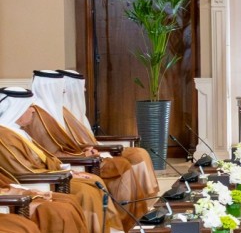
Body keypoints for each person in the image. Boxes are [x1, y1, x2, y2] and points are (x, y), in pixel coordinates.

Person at [0, 87, 125, 233]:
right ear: (15, 109)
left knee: (94, 181)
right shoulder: (4, 135)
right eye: (28, 107)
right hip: (40, 183)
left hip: (51, 176)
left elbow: (46, 158)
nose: (33, 110)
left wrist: (68, 171)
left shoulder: (17, 131)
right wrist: (66, 174)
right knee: (85, 193)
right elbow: (22, 171)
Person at [19, 71, 156, 208]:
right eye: (61, 88)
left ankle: (139, 206)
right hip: (71, 163)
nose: (84, 90)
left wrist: (85, 151)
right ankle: (128, 210)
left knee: (135, 156)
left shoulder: (57, 111)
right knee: (121, 165)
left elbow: (69, 144)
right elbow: (51, 152)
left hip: (76, 158)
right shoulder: (38, 118)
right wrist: (83, 155)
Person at [57, 69, 158, 198]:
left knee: (140, 153)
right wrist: (86, 153)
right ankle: (131, 203)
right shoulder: (60, 116)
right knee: (124, 163)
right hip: (87, 156)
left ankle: (146, 199)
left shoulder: (76, 111)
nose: (85, 90)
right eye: (82, 87)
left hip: (97, 149)